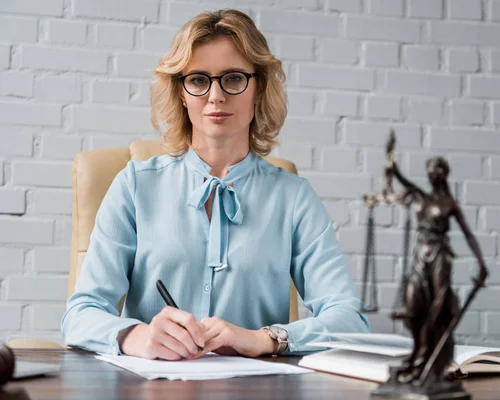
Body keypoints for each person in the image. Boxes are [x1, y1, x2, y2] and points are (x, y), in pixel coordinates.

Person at [61, 9, 369, 361]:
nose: (216, 96)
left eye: (234, 78)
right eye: (198, 80)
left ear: (259, 87)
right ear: (181, 92)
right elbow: (80, 315)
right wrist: (138, 336)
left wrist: (266, 338)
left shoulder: (294, 197)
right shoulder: (134, 185)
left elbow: (350, 321)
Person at [387, 154, 488, 383]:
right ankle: (417, 353)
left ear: (443, 174)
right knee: (413, 307)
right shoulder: (422, 196)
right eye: (429, 170)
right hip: (420, 253)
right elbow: (405, 182)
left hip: (440, 255)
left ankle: (426, 360)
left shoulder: (449, 204)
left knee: (436, 308)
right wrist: (393, 168)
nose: (431, 174)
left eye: (436, 170)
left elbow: (469, 235)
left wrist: (481, 263)